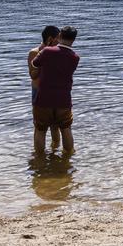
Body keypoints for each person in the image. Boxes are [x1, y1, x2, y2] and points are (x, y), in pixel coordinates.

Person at [32, 26, 80, 155]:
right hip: (63, 99)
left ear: (59, 36)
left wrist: (44, 50)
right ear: (74, 40)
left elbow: (35, 64)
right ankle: (68, 156)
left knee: (40, 130)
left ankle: (39, 159)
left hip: (44, 98)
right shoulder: (75, 57)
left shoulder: (47, 51)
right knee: (66, 128)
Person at [29, 26, 62, 149]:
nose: (60, 42)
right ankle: (39, 157)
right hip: (39, 92)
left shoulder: (57, 52)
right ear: (50, 39)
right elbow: (33, 76)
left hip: (54, 91)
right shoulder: (34, 53)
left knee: (55, 125)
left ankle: (55, 152)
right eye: (59, 38)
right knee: (39, 127)